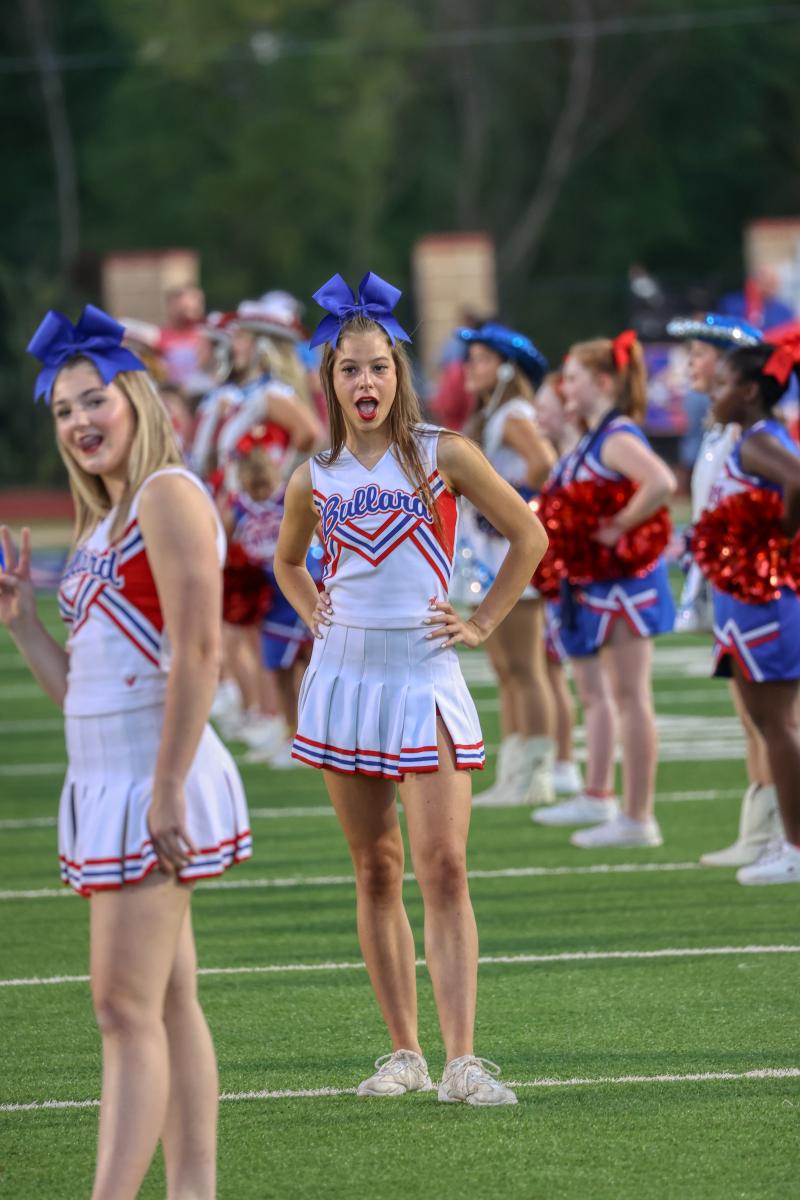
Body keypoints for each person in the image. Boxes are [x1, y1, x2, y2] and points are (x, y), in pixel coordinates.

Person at [275, 272, 547, 1106]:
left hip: (423, 673)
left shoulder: (443, 454)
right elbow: (287, 561)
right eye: (349, 369)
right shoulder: (313, 475)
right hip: (344, 678)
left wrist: (483, 620)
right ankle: (405, 1053)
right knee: (374, 868)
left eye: (379, 367)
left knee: (445, 866)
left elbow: (529, 534)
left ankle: (463, 1061)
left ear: (399, 373)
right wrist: (312, 609)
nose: (366, 381)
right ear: (329, 380)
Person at [1, 305, 251, 1200]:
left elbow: (200, 651)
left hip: (154, 773)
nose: (79, 421)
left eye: (94, 400)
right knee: (165, 1002)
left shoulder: (168, 496)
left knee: (121, 1008)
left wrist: (168, 785)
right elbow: (84, 691)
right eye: (63, 410)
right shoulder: (100, 525)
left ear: (136, 399)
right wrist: (24, 625)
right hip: (106, 777)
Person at [542, 331, 677, 848]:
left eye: (574, 378)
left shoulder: (617, 436)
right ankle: (614, 804)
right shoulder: (593, 436)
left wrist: (619, 525)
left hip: (627, 584)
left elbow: (661, 482)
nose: (566, 386)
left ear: (602, 382)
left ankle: (639, 817)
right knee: (615, 695)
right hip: (599, 584)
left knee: (630, 696)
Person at [667, 313, 782, 865]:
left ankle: (778, 832)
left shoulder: (751, 432)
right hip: (727, 580)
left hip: (759, 585)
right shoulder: (720, 429)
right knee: (750, 715)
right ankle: (760, 828)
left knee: (771, 717)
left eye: (700, 353)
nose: (692, 364)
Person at [700, 338, 800, 885]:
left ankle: (796, 847)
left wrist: (778, 540)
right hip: (749, 604)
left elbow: (799, 480)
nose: (712, 395)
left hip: (765, 603)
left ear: (750, 392)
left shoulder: (759, 440)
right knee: (772, 724)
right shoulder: (754, 437)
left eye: (722, 385)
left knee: (777, 726)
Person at [456, 321, 557, 807]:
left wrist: (512, 507)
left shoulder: (513, 414)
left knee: (525, 668)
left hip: (508, 556)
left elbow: (544, 463)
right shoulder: (493, 415)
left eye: (480, 359)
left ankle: (537, 774)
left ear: (504, 370)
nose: (469, 367)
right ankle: (515, 771)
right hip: (486, 557)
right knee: (506, 669)